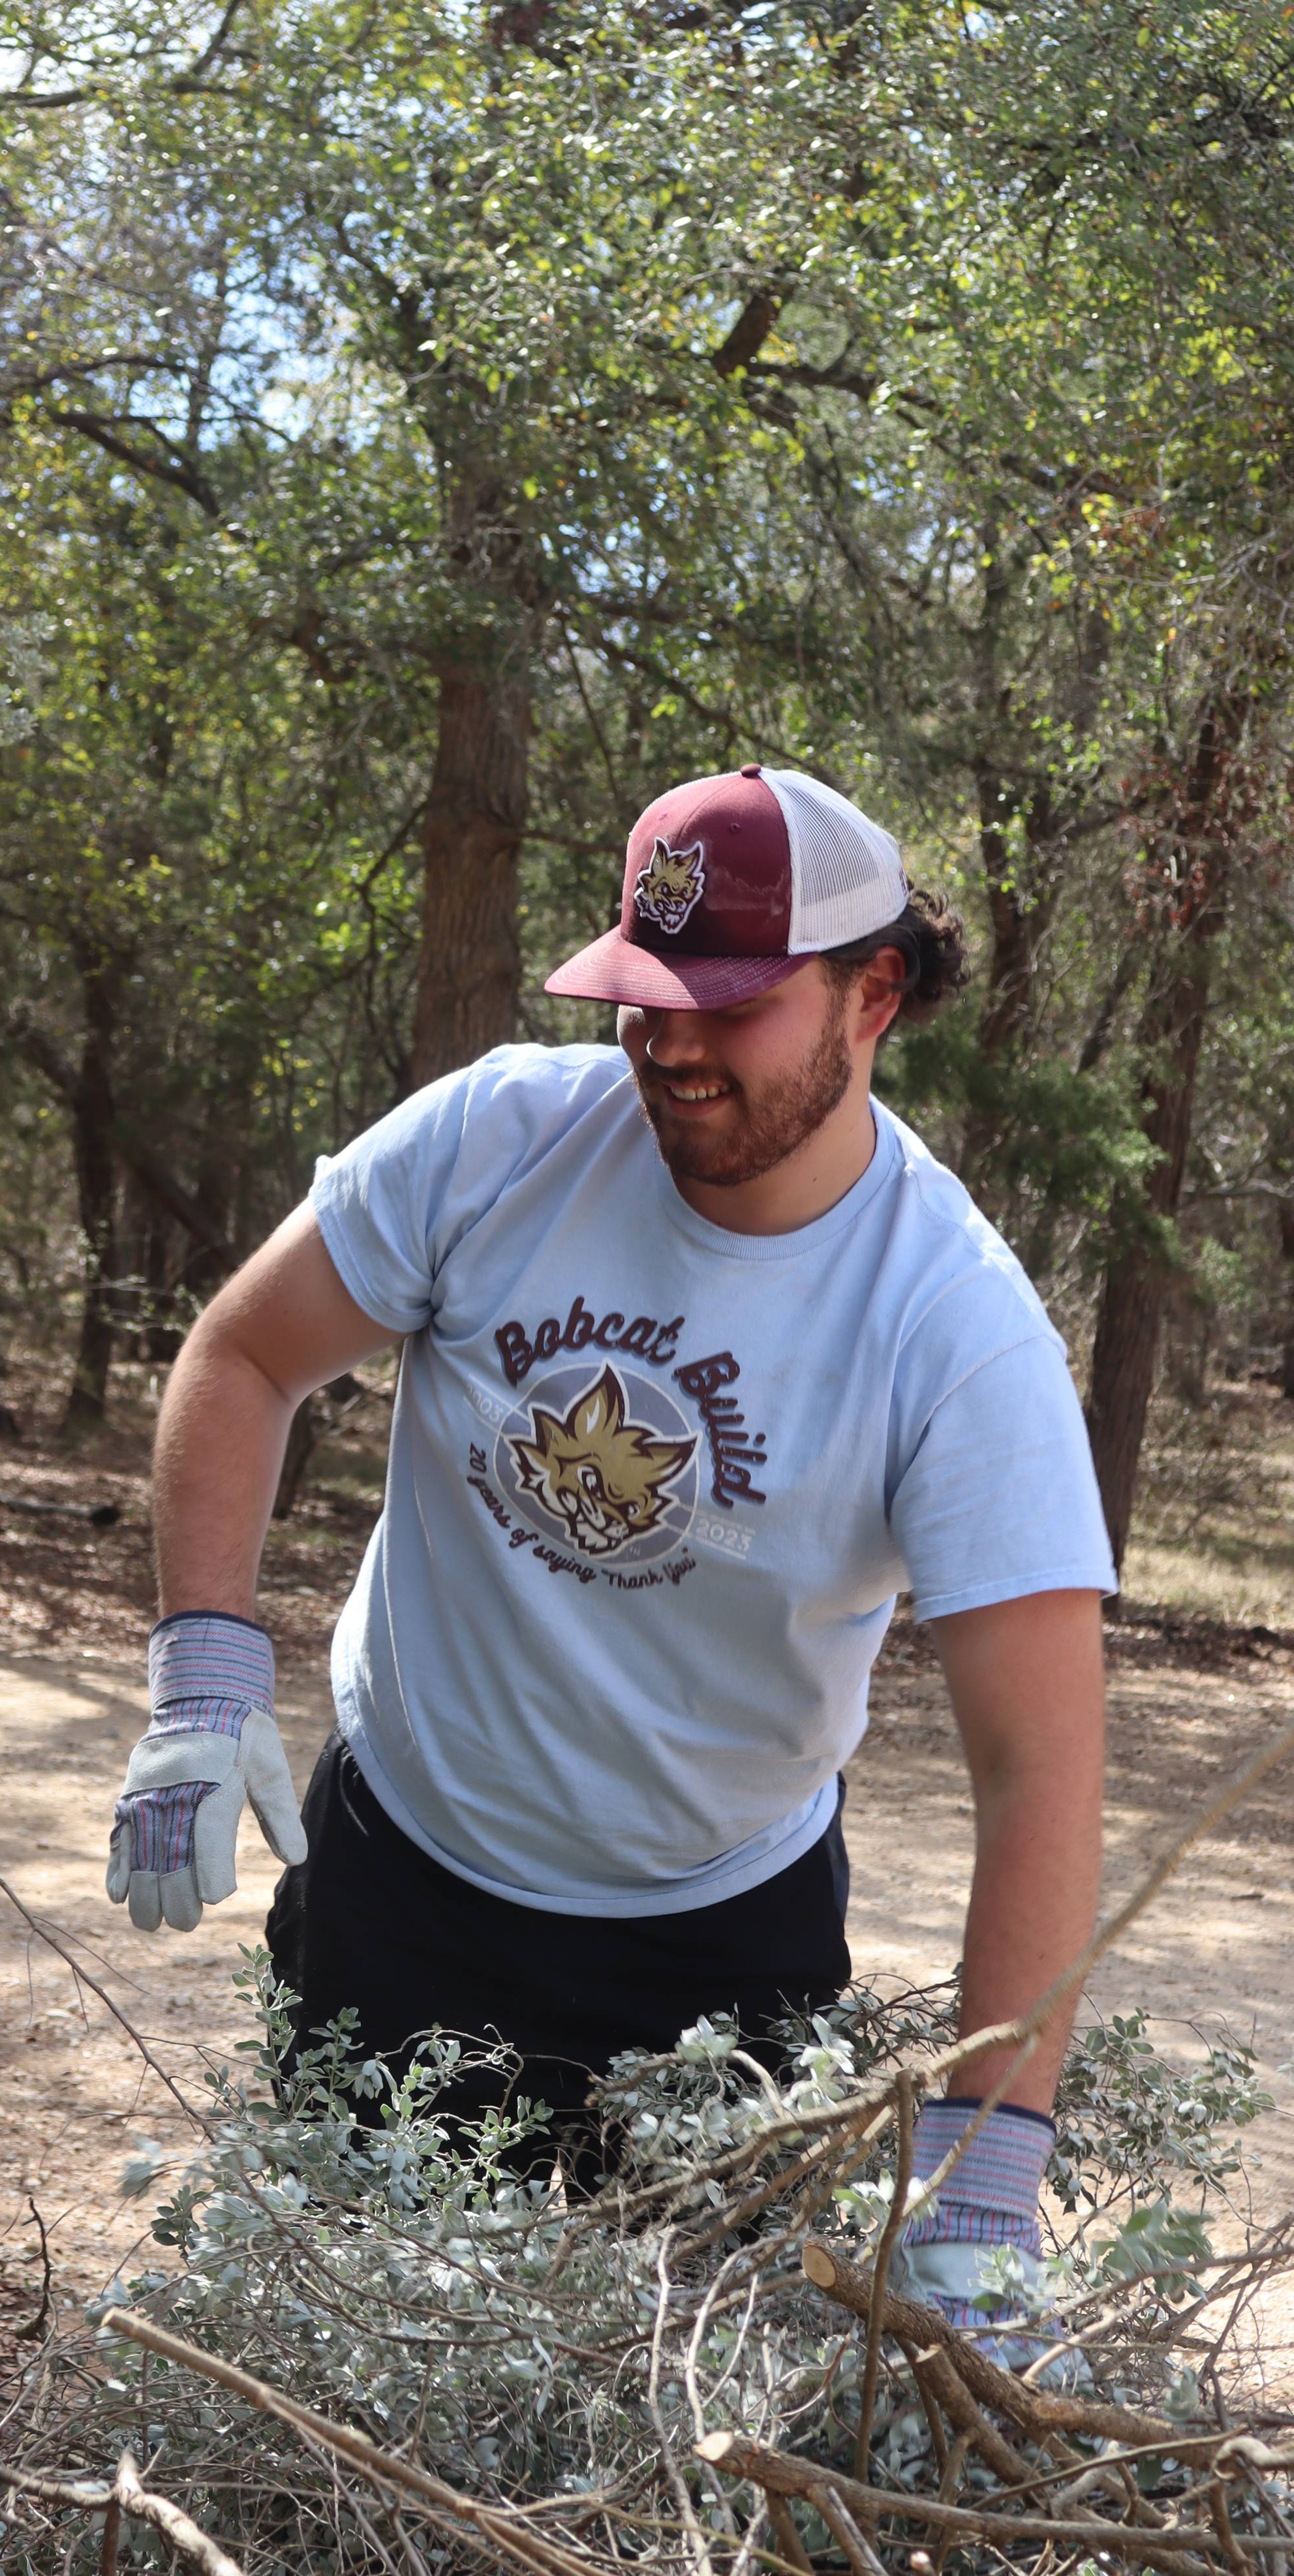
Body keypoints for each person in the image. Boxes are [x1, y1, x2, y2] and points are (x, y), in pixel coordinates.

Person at [105, 763, 1115, 2353]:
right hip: (400, 1885)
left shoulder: (952, 1328)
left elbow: (1037, 1765)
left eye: (730, 1003)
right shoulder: (499, 1138)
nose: (671, 1046)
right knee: (339, 2387)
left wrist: (981, 2172)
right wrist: (204, 1659)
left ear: (875, 994)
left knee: (659, 2437)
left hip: (719, 1942)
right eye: (643, 995)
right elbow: (242, 1356)